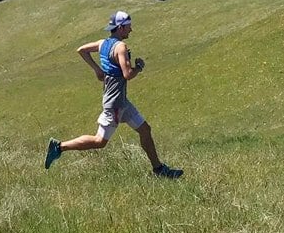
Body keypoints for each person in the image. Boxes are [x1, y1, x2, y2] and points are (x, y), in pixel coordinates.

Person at [44, 10, 182, 178]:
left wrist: (97, 70)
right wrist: (139, 67)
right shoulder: (120, 47)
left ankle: (159, 170)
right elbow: (127, 74)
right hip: (115, 103)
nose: (131, 30)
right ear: (120, 28)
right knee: (99, 141)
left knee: (145, 130)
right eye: (128, 27)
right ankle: (59, 147)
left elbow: (81, 50)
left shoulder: (103, 43)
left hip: (121, 101)